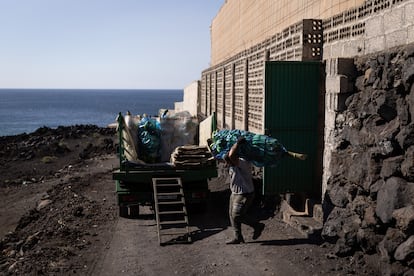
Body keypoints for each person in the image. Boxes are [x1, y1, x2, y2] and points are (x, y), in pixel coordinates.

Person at [224, 136, 265, 244]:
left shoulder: (243, 162)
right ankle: (238, 237)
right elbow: (227, 157)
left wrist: (237, 143)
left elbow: (231, 155)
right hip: (235, 193)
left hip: (244, 193)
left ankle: (257, 225)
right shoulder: (233, 163)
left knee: (237, 215)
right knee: (231, 215)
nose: (227, 164)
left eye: (228, 161)